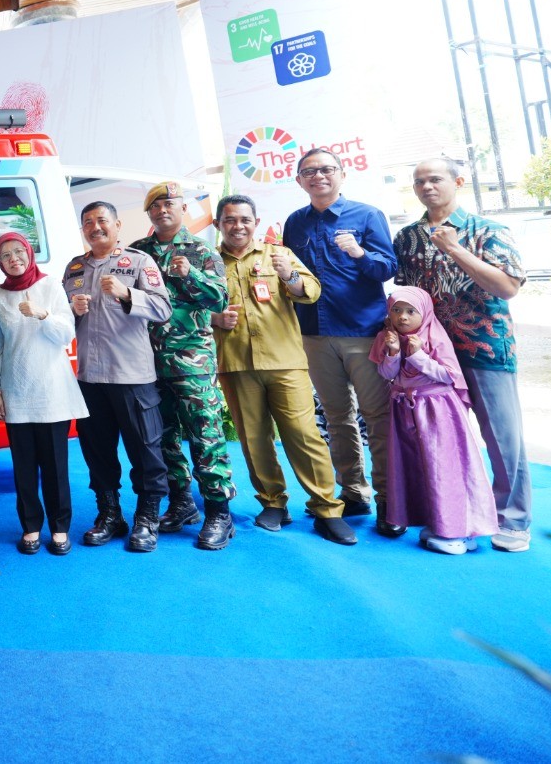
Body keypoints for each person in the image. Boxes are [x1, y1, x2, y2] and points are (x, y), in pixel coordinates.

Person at [393, 157, 531, 553]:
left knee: (502, 437)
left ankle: (513, 519)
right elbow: (408, 296)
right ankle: (452, 516)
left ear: (458, 182)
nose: (427, 186)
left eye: (435, 179)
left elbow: (507, 287)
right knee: (440, 440)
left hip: (482, 347)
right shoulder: (407, 237)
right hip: (430, 355)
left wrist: (455, 250)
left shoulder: (488, 230)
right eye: (419, 181)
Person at [211, 196, 355, 544]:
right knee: (253, 438)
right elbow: (192, 306)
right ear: (218, 225)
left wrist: (288, 275)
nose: (238, 226)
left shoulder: (278, 254)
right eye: (230, 220)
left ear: (255, 222)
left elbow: (311, 291)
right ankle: (273, 502)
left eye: (245, 219)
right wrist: (215, 318)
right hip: (237, 363)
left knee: (304, 435)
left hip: (284, 361)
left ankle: (326, 508)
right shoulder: (210, 263)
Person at [283, 148, 401, 536]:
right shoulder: (295, 222)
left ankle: (389, 499)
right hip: (314, 334)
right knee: (336, 418)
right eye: (309, 172)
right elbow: (291, 276)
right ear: (299, 180)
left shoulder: (367, 215)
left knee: (377, 417)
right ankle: (354, 491)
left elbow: (388, 268)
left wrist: (360, 252)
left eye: (327, 169)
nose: (318, 176)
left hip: (363, 332)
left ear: (342, 174)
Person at [130, 183, 237, 549]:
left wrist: (191, 274)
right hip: (147, 362)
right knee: (163, 438)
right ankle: (181, 502)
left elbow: (219, 299)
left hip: (192, 362)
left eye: (169, 204)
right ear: (149, 213)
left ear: (182, 209)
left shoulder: (201, 250)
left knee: (205, 436)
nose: (163, 210)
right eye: (155, 206)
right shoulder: (137, 252)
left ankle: (219, 512)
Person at [63, 202, 173, 553]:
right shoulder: (74, 267)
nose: (95, 227)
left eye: (102, 221)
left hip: (132, 376)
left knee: (145, 451)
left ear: (117, 225)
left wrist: (128, 294)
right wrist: (71, 311)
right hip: (91, 377)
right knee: (97, 451)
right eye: (88, 222)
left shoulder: (139, 262)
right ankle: (110, 515)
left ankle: (147, 517)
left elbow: (163, 308)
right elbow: (60, 324)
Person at [369, 287, 497, 554]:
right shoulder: (388, 336)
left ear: (425, 312)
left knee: (444, 468)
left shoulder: (434, 335)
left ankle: (456, 531)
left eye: (410, 311)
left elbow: (449, 375)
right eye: (396, 310)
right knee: (418, 467)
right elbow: (388, 374)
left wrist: (418, 355)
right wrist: (393, 352)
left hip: (437, 410)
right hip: (405, 410)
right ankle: (437, 523)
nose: (403, 317)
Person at [0, 232, 85, 556]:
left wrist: (43, 315)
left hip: (51, 391)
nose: (13, 259)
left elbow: (66, 334)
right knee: (23, 466)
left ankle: (59, 527)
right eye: (5, 255)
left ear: (29, 253)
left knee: (55, 466)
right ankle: (30, 526)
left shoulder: (50, 286)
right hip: (16, 390)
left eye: (18, 251)